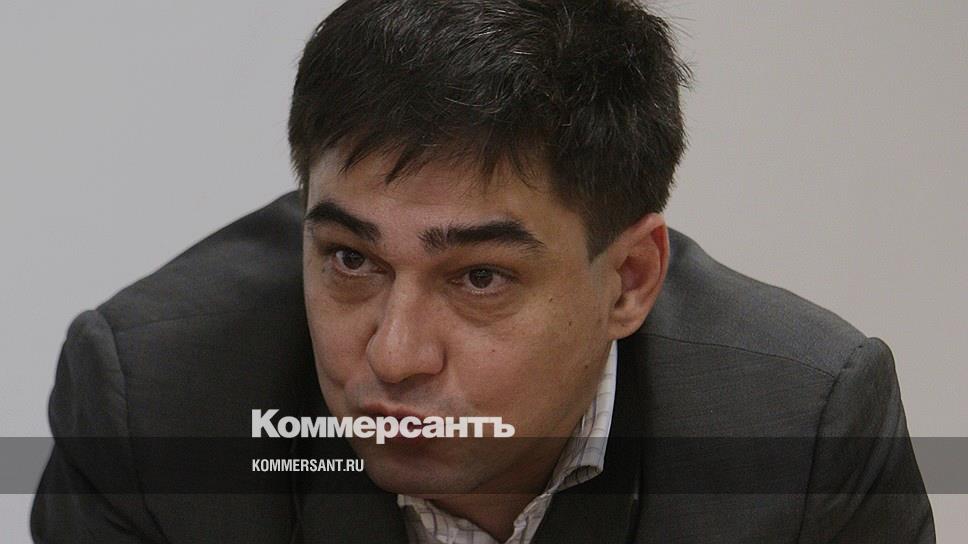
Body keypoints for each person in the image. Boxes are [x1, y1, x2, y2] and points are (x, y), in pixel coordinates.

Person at [32, 0, 935, 542]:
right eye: (350, 259)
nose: (394, 355)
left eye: (479, 278)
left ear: (628, 280)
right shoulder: (152, 404)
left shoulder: (802, 434)